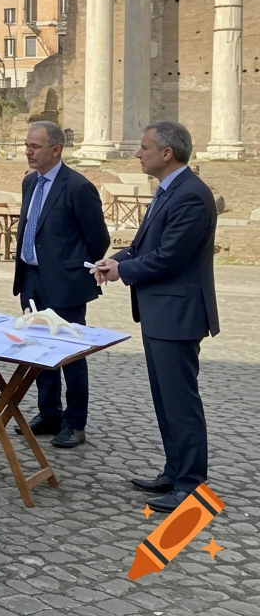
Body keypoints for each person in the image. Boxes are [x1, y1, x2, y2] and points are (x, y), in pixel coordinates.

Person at [93, 121, 219, 513]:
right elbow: (144, 245)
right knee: (165, 398)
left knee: (180, 400)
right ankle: (174, 469)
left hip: (178, 313)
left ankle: (191, 483)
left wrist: (122, 273)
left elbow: (170, 256)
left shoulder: (192, 196)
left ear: (168, 153)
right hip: (159, 311)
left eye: (144, 147)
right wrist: (114, 260)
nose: (137, 153)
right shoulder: (169, 190)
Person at [12, 120, 110, 450]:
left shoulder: (77, 186)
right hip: (31, 279)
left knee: (69, 354)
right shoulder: (30, 183)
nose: (28, 151)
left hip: (65, 284)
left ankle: (75, 421)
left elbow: (98, 239)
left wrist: (72, 267)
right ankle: (49, 412)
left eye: (35, 146)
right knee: (38, 350)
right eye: (26, 145)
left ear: (56, 150)